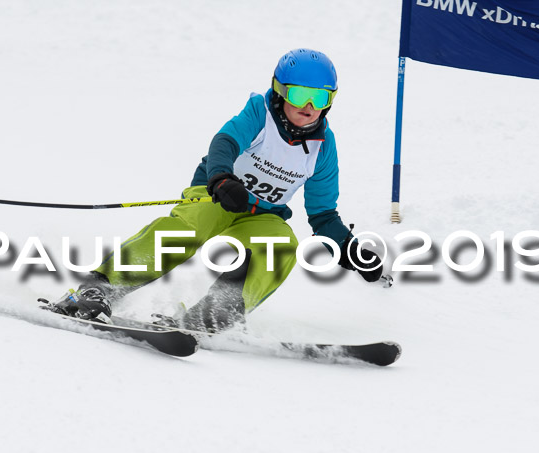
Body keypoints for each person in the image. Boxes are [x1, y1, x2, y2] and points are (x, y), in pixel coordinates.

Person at [42, 48, 384, 332]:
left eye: (320, 97)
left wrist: (348, 249)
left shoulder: (323, 147)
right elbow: (225, 141)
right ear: (280, 91)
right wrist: (221, 178)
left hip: (262, 215)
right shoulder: (260, 113)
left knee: (281, 245)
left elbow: (323, 213)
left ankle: (216, 312)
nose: (309, 106)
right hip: (218, 195)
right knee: (186, 229)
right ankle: (98, 289)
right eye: (299, 94)